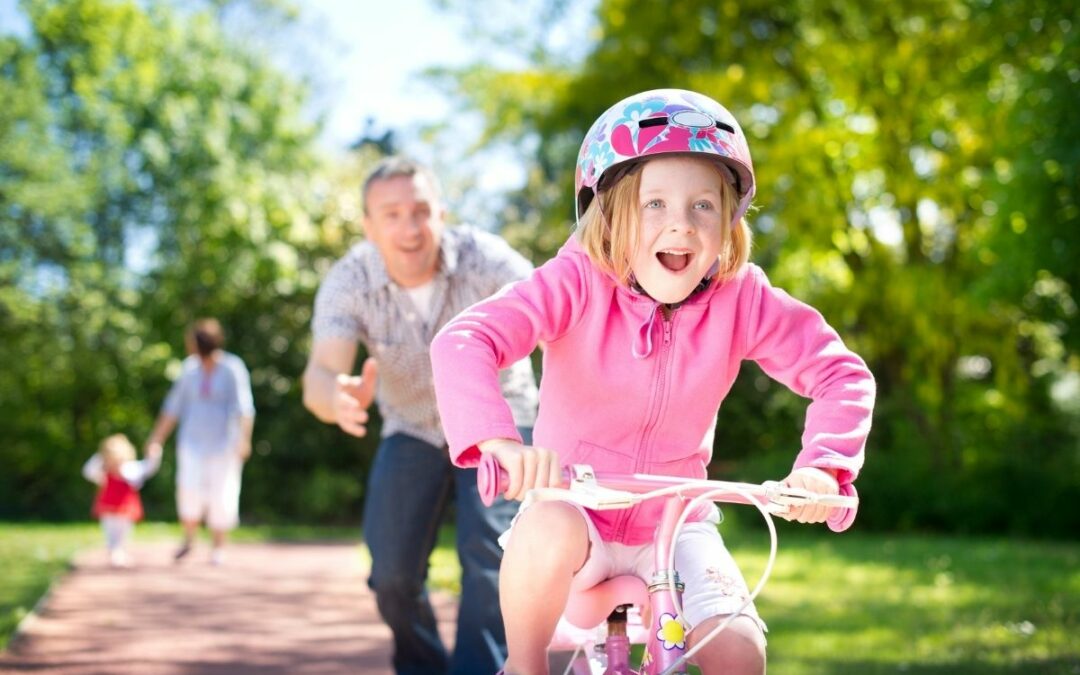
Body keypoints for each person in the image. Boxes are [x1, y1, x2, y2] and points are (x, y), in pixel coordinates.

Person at [429, 88, 877, 674]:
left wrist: (822, 468)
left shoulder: (742, 298)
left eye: (703, 206)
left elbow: (840, 373)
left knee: (741, 652)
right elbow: (465, 341)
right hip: (577, 515)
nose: (682, 226)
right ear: (610, 214)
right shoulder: (577, 281)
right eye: (655, 204)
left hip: (674, 520)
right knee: (549, 521)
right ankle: (524, 665)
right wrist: (500, 443)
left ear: (730, 219)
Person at [302, 156, 539, 675]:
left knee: (491, 556)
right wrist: (334, 396)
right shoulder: (349, 281)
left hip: (500, 419)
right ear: (368, 226)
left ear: (442, 213)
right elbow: (321, 373)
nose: (409, 228)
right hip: (410, 427)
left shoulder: (485, 258)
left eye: (421, 211)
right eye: (391, 214)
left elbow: (561, 305)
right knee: (390, 575)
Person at [145, 318, 255, 566]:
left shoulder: (232, 368)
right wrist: (156, 439)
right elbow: (172, 408)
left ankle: (218, 546)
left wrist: (244, 441)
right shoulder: (188, 369)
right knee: (189, 490)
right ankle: (189, 539)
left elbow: (244, 408)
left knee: (222, 494)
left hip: (223, 445)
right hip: (192, 443)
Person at [82, 433, 162, 568]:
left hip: (126, 507)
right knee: (110, 530)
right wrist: (100, 456)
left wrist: (155, 456)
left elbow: (148, 468)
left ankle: (119, 551)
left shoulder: (130, 469)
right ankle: (115, 551)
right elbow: (87, 471)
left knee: (124, 531)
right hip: (108, 506)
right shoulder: (103, 471)